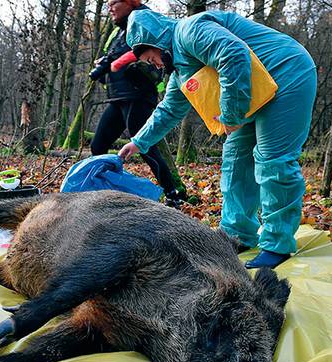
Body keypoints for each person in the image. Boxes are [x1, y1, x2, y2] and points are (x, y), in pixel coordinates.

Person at [117, 9, 317, 269]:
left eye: (150, 57)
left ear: (156, 41)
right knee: (235, 160)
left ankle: (277, 244)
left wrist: (232, 113)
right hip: (254, 91)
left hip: (287, 73)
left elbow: (233, 54)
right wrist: (138, 142)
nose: (153, 64)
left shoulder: (190, 31)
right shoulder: (180, 72)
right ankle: (237, 234)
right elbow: (168, 110)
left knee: (272, 160)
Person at [88, 0, 186, 204]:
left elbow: (145, 50)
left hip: (138, 95)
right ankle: (104, 192)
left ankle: (173, 194)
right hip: (118, 97)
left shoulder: (143, 21)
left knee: (144, 144)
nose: (110, 7)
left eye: (114, 2)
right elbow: (113, 56)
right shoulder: (119, 32)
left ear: (129, 2)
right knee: (98, 145)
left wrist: (117, 62)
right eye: (107, 3)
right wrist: (104, 65)